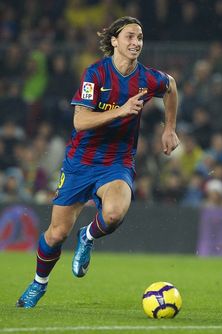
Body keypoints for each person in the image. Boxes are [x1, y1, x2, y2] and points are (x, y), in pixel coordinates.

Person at [16, 16, 180, 308]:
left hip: (116, 162)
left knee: (115, 214)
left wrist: (169, 128)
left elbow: (171, 86)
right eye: (129, 36)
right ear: (115, 41)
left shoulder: (147, 78)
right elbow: (80, 121)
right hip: (80, 162)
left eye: (140, 37)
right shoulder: (95, 74)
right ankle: (38, 284)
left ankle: (88, 236)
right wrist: (121, 110)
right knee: (56, 235)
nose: (136, 43)